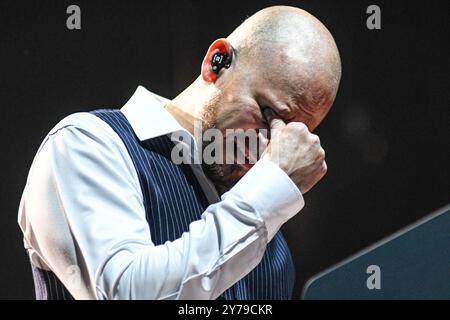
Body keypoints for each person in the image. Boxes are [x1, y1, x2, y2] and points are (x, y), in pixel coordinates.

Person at [18, 6, 341, 299]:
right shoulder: (88, 143)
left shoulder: (273, 249)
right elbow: (128, 294)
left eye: (295, 133)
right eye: (269, 114)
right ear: (217, 63)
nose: (273, 144)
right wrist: (269, 192)